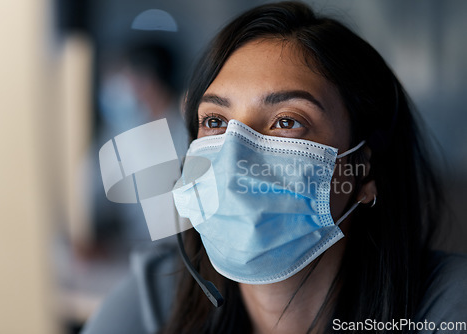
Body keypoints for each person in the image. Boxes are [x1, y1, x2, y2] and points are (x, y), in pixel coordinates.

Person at [83, 2, 467, 334]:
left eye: (286, 121)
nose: (234, 158)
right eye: (215, 121)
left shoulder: (448, 307)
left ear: (365, 169)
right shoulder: (153, 300)